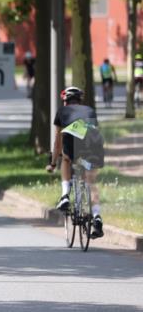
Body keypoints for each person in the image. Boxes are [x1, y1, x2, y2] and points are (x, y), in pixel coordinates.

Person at [48, 86, 105, 238]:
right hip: (93, 144)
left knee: (66, 159)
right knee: (91, 182)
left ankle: (65, 195)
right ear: (80, 100)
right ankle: (97, 216)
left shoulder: (62, 112)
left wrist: (53, 163)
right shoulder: (90, 110)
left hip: (73, 140)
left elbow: (57, 143)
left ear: (65, 101)